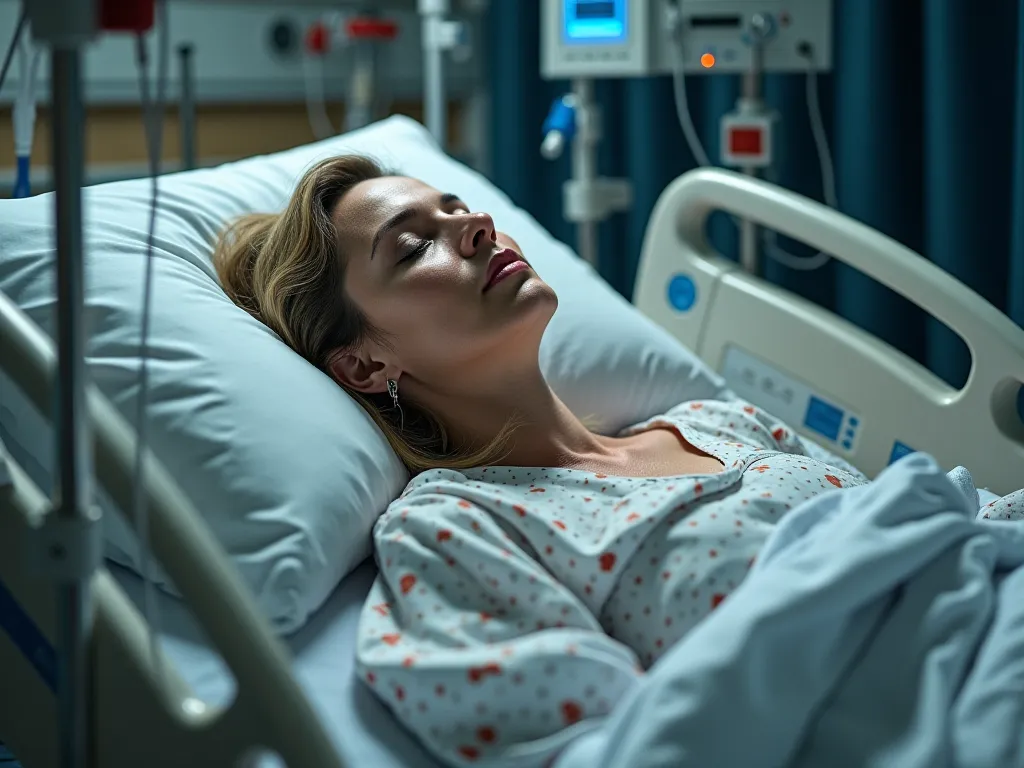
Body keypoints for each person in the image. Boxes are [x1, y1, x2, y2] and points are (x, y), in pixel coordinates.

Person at [213, 155, 1021, 767]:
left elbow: (957, 527)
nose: (473, 227)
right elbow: (603, 748)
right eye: (415, 245)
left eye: (456, 206)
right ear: (362, 367)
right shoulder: (461, 523)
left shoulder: (720, 420)